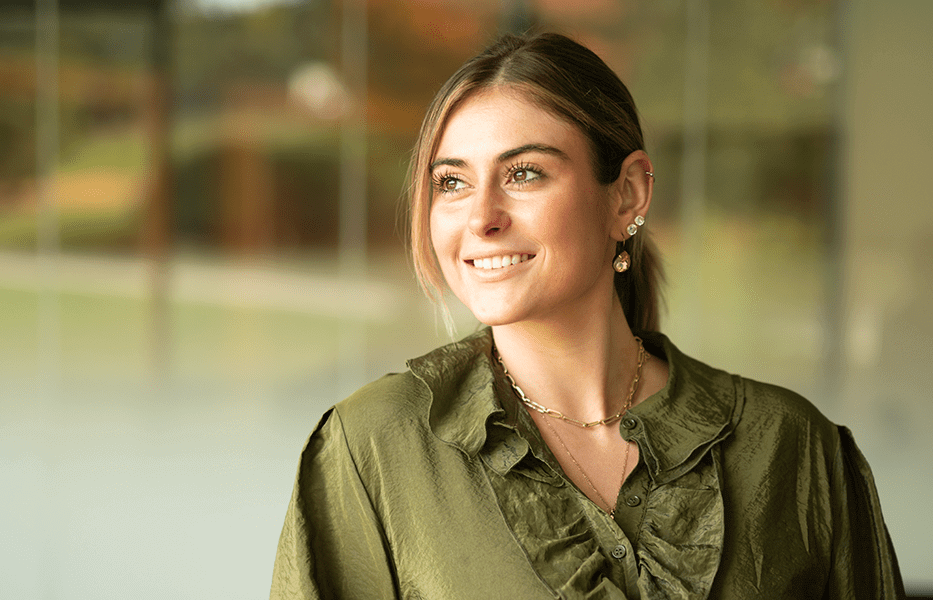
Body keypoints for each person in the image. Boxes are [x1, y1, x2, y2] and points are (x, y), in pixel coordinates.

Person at [270, 32, 904, 599]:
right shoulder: (373, 448)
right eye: (452, 183)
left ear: (627, 194)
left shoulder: (793, 448)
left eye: (523, 173)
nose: (481, 218)